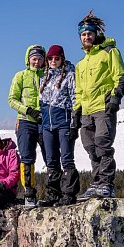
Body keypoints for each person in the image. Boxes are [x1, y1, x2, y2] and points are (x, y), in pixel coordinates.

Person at [73, 10, 124, 199]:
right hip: (86, 111)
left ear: (96, 34)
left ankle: (106, 184)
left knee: (103, 144)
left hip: (103, 107)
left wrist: (114, 99)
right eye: (83, 34)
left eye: (89, 33)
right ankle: (96, 183)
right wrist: (76, 111)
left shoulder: (109, 52)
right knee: (90, 147)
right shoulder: (81, 64)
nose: (86, 37)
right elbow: (79, 91)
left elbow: (120, 77)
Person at [37, 45, 80, 206]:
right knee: (51, 160)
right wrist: (42, 126)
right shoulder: (45, 78)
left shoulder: (70, 75)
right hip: (48, 124)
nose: (53, 61)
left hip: (64, 121)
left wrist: (75, 122)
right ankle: (53, 194)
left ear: (62, 58)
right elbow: (41, 103)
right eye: (50, 58)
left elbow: (75, 97)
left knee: (67, 158)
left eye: (57, 58)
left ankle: (68, 194)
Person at [8, 45, 46, 208]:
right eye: (34, 58)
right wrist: (28, 110)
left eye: (40, 59)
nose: (37, 62)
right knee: (27, 158)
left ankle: (55, 191)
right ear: (28, 59)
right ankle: (29, 193)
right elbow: (12, 99)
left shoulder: (48, 76)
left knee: (51, 156)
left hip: (45, 121)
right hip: (25, 121)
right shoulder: (20, 76)